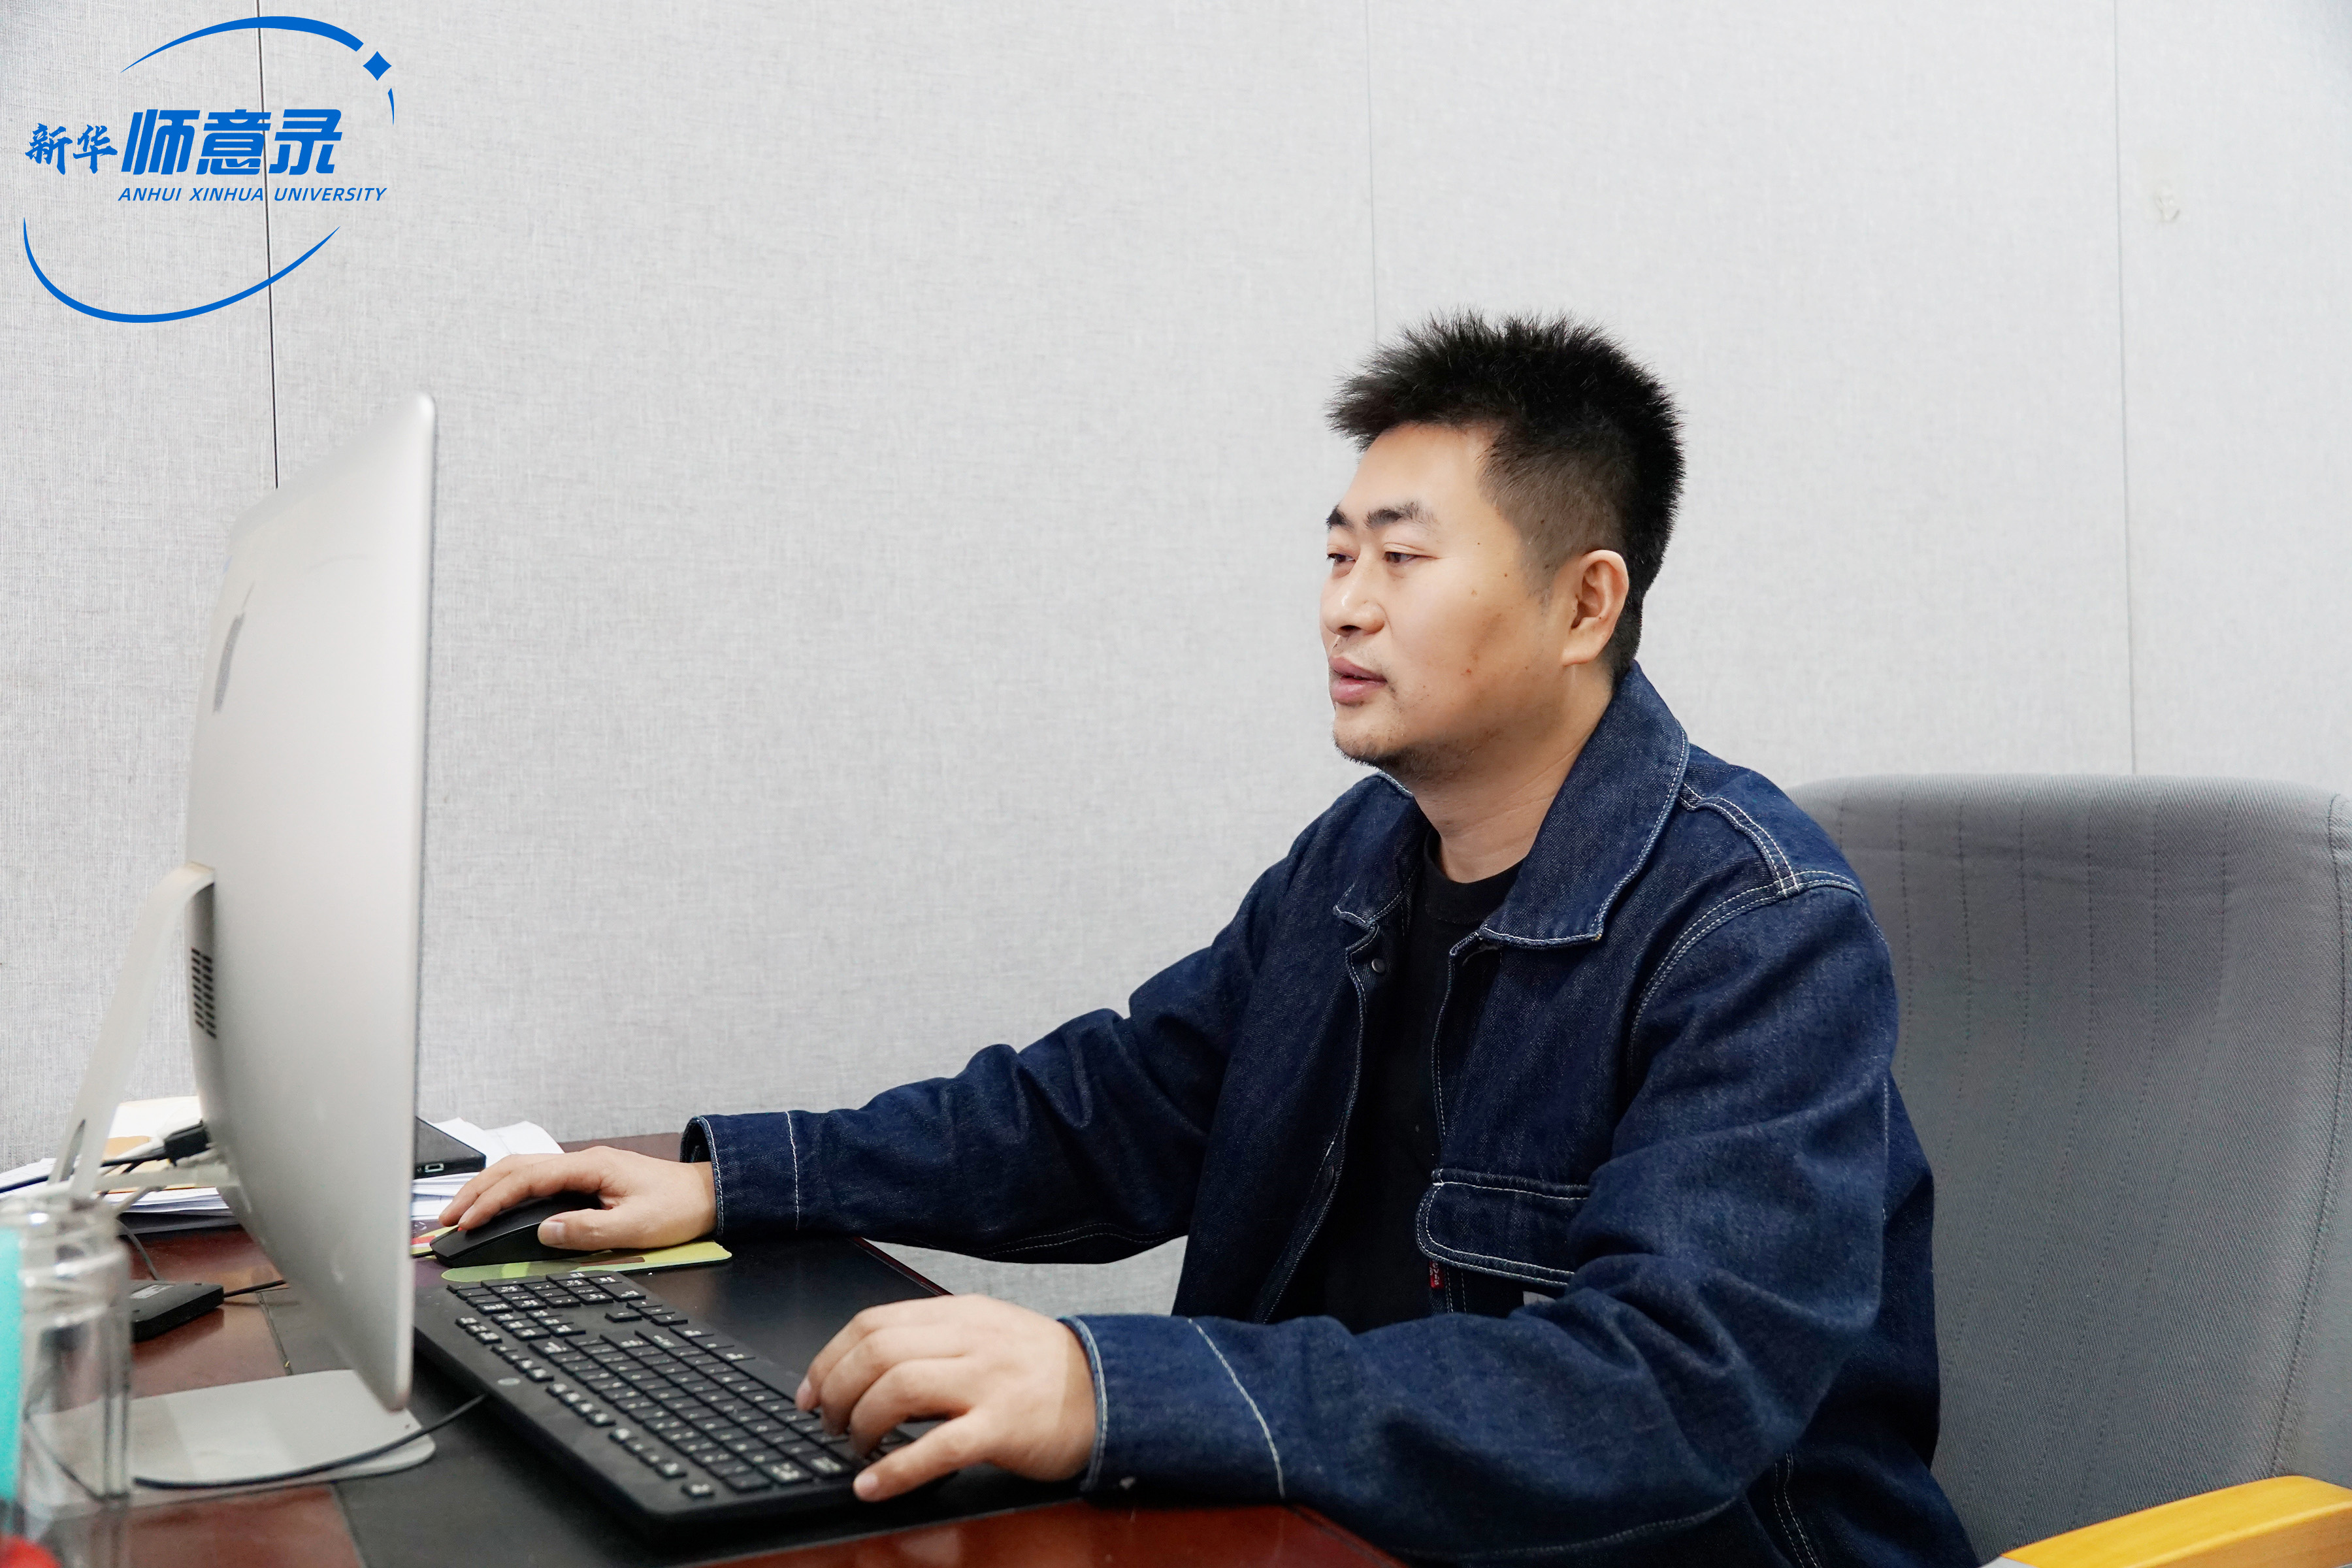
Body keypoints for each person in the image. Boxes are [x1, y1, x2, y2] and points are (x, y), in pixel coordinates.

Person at [442, 313, 1976, 1567]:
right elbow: (1112, 1113)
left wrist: (1114, 1385)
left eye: (1403, 559)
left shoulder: (1757, 930)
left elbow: (1659, 1392)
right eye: (1336, 554)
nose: (1345, 609)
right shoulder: (1359, 863)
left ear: (1585, 606)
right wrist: (737, 1179)